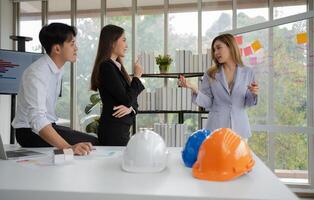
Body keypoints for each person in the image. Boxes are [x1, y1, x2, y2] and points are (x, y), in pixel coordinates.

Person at [12, 23, 98, 155]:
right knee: (93, 143)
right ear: (57, 49)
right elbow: (37, 119)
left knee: (92, 141)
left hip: (47, 126)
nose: (76, 48)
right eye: (72, 44)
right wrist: (68, 147)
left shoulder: (56, 69)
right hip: (29, 132)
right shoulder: (37, 73)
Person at [178, 33, 259, 139]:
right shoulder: (210, 73)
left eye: (219, 48)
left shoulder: (248, 72)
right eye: (214, 50)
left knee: (238, 156)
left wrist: (253, 93)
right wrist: (194, 88)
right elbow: (208, 102)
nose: (216, 53)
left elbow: (247, 103)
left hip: (240, 129)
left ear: (230, 46)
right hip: (216, 128)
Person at [90, 24, 145, 146]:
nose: (126, 46)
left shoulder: (116, 67)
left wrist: (130, 108)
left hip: (120, 130)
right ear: (112, 42)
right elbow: (127, 98)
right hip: (113, 131)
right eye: (124, 40)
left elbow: (132, 101)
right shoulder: (107, 67)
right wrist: (136, 77)